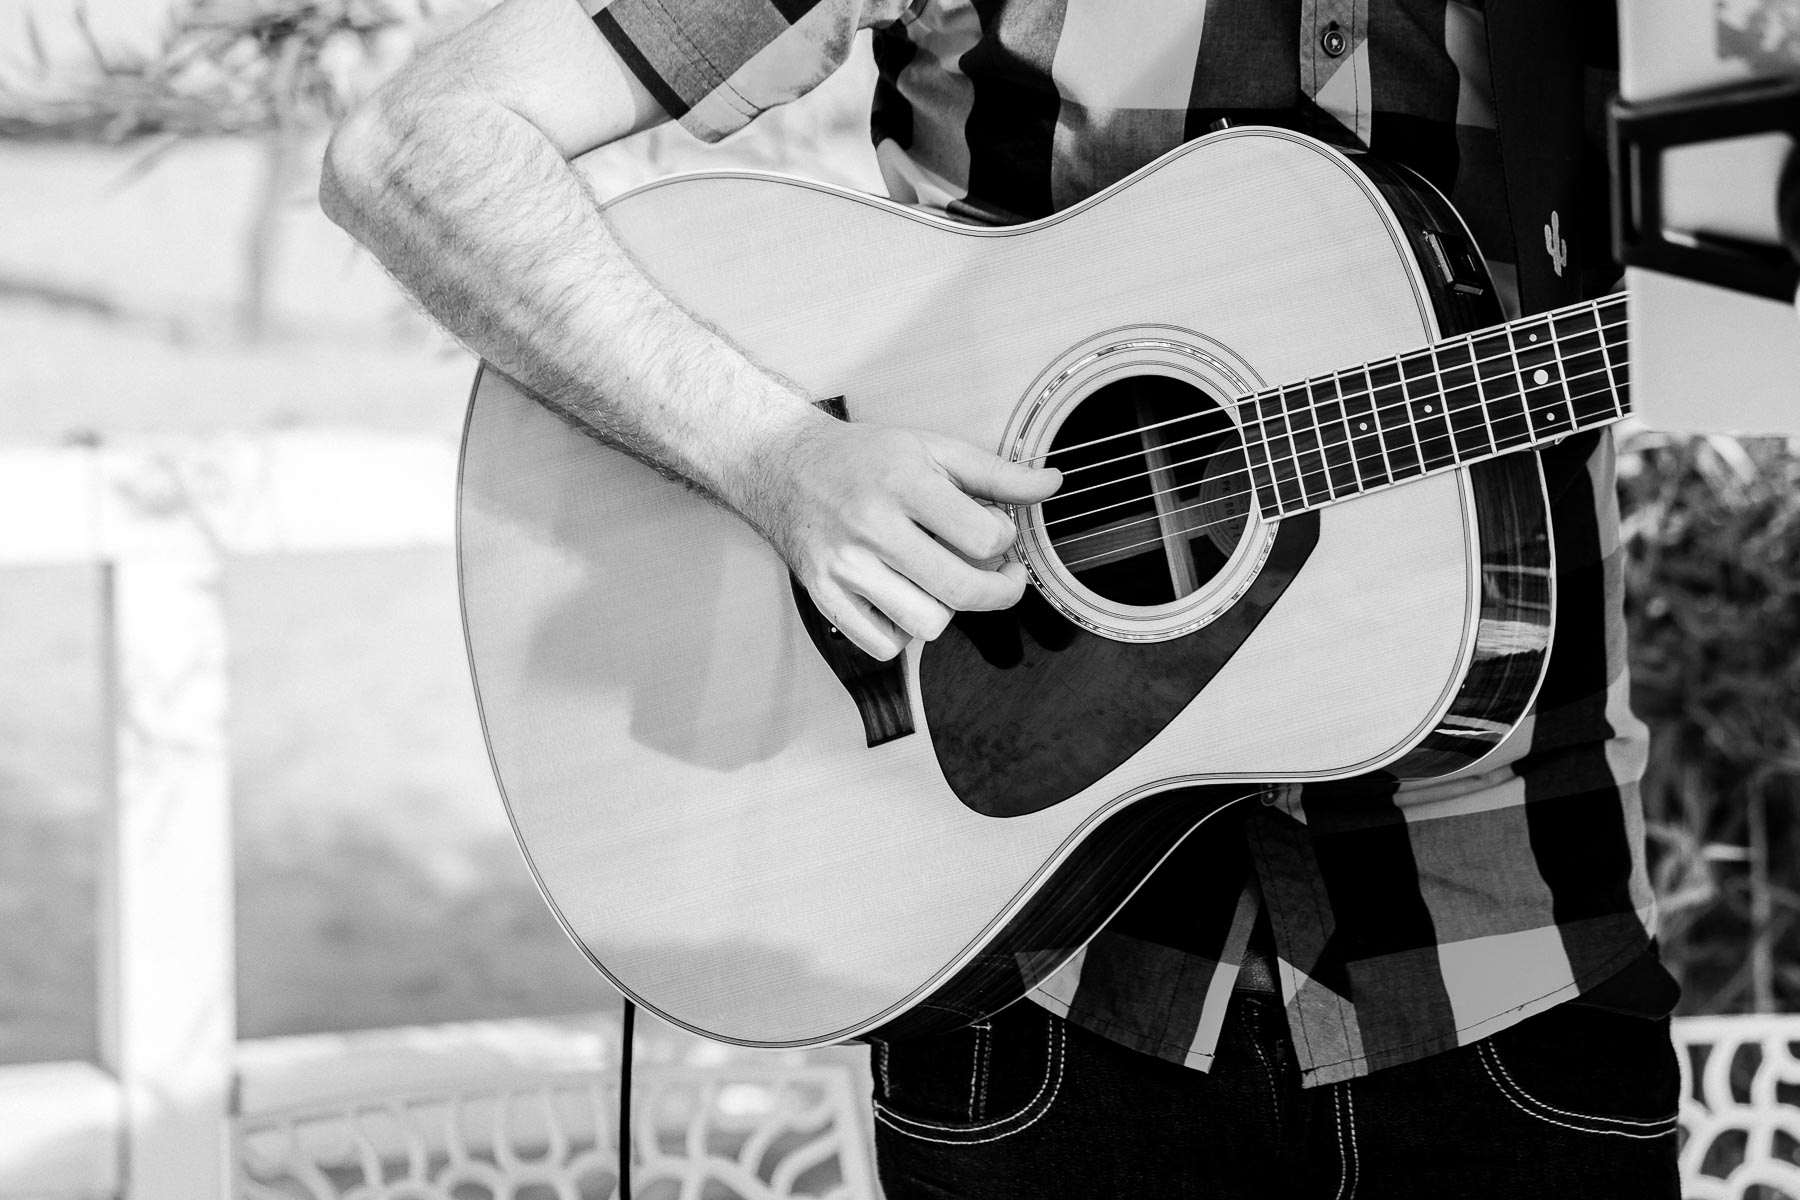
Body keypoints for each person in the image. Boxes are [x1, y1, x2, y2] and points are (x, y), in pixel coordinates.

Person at [321, 1, 1683, 1194]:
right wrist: (772, 455)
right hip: (1026, 983)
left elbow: (1745, 266)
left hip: (1513, 957)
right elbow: (417, 146)